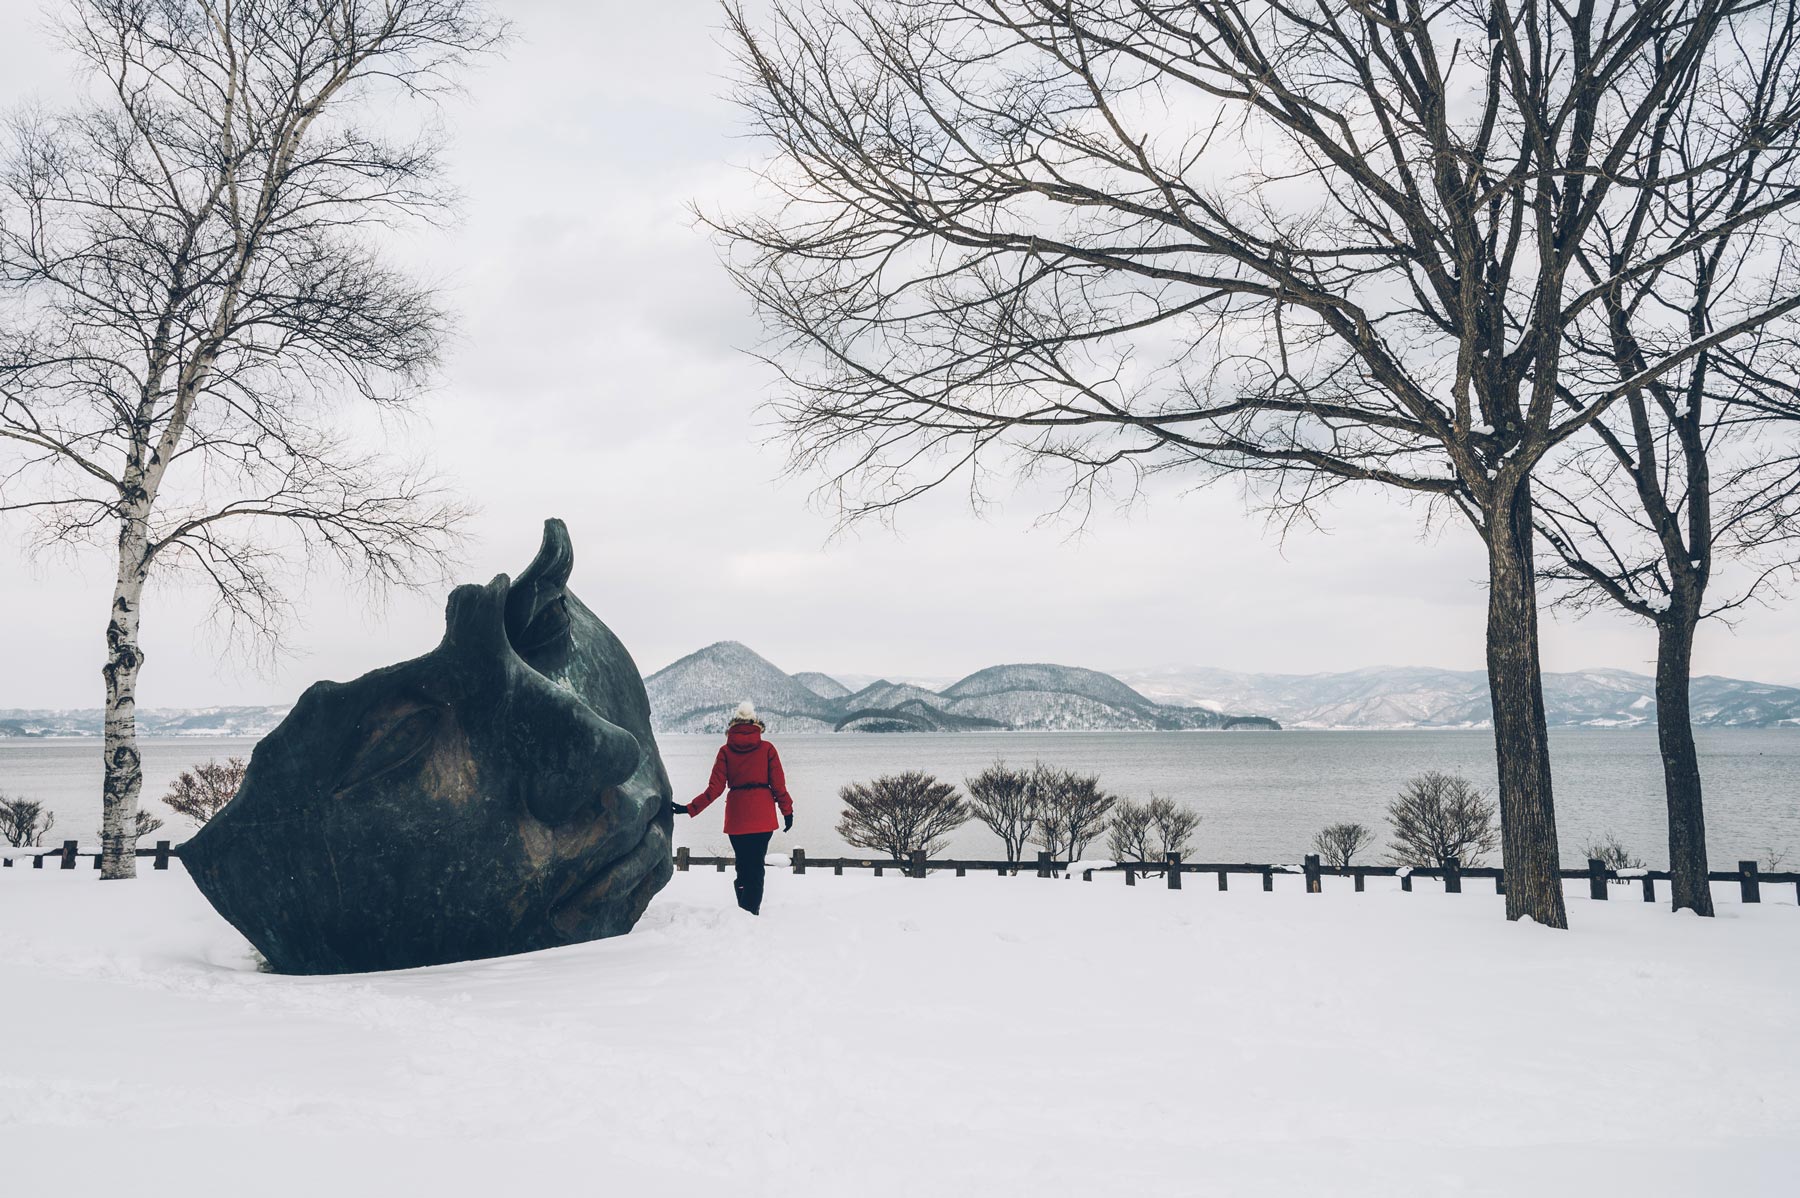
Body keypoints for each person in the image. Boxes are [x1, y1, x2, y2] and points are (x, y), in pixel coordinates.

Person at [669, 701, 794, 915]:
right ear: (756, 724)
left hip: (737, 819)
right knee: (756, 868)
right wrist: (787, 812)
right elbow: (779, 786)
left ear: (733, 725)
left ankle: (743, 912)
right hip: (763, 818)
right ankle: (749, 913)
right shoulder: (767, 749)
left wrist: (689, 808)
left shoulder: (725, 751)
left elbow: (714, 789)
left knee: (743, 867)